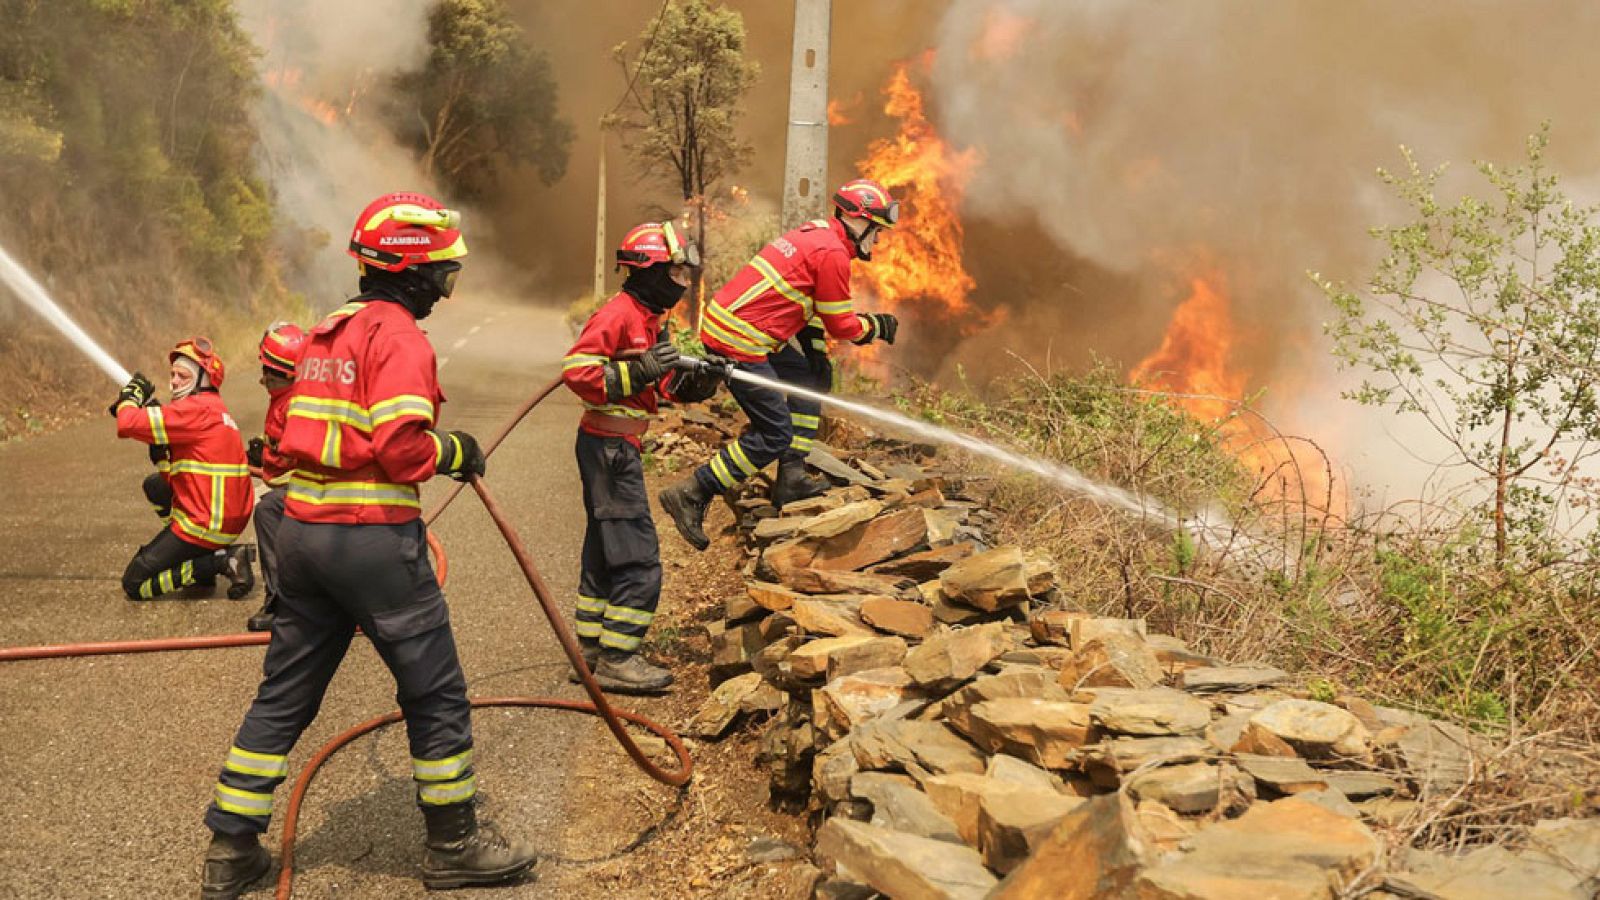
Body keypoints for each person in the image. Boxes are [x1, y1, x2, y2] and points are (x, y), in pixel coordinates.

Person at [198, 192, 535, 899]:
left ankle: (230, 848)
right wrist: (456, 448)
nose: (445, 285)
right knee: (434, 691)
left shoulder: (329, 331)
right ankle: (454, 844)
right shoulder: (399, 336)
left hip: (303, 537)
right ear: (410, 269)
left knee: (286, 692)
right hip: (372, 543)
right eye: (441, 270)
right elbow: (403, 448)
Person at [658, 178, 903, 550]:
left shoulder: (818, 235)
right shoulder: (833, 253)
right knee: (774, 433)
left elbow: (807, 300)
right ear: (859, 220)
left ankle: (792, 477)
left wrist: (816, 353)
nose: (878, 239)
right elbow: (843, 325)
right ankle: (693, 491)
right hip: (740, 339)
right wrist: (877, 325)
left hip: (741, 327)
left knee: (809, 379)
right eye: (877, 229)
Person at [559, 222, 723, 693]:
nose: (682, 283)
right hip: (609, 450)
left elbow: (660, 383)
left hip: (615, 446)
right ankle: (619, 657)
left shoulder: (649, 318)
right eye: (675, 272)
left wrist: (699, 383)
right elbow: (577, 370)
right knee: (638, 555)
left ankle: (591, 653)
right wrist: (636, 373)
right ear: (649, 271)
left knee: (603, 551)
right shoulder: (618, 314)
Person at [112, 337, 256, 600]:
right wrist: (161, 458)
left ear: (203, 380)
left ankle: (220, 561)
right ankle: (201, 560)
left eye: (183, 376)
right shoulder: (211, 408)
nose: (174, 381)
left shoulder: (195, 410)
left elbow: (127, 423)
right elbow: (183, 475)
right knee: (155, 485)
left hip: (206, 523)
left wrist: (130, 397)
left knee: (135, 583)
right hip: (222, 517)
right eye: (173, 375)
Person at [243, 321, 306, 632]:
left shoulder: (294, 403)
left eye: (268, 370)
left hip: (310, 486)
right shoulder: (286, 397)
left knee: (268, 512)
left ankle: (280, 603)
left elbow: (298, 452)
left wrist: (270, 459)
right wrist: (264, 454)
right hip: (307, 482)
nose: (263, 378)